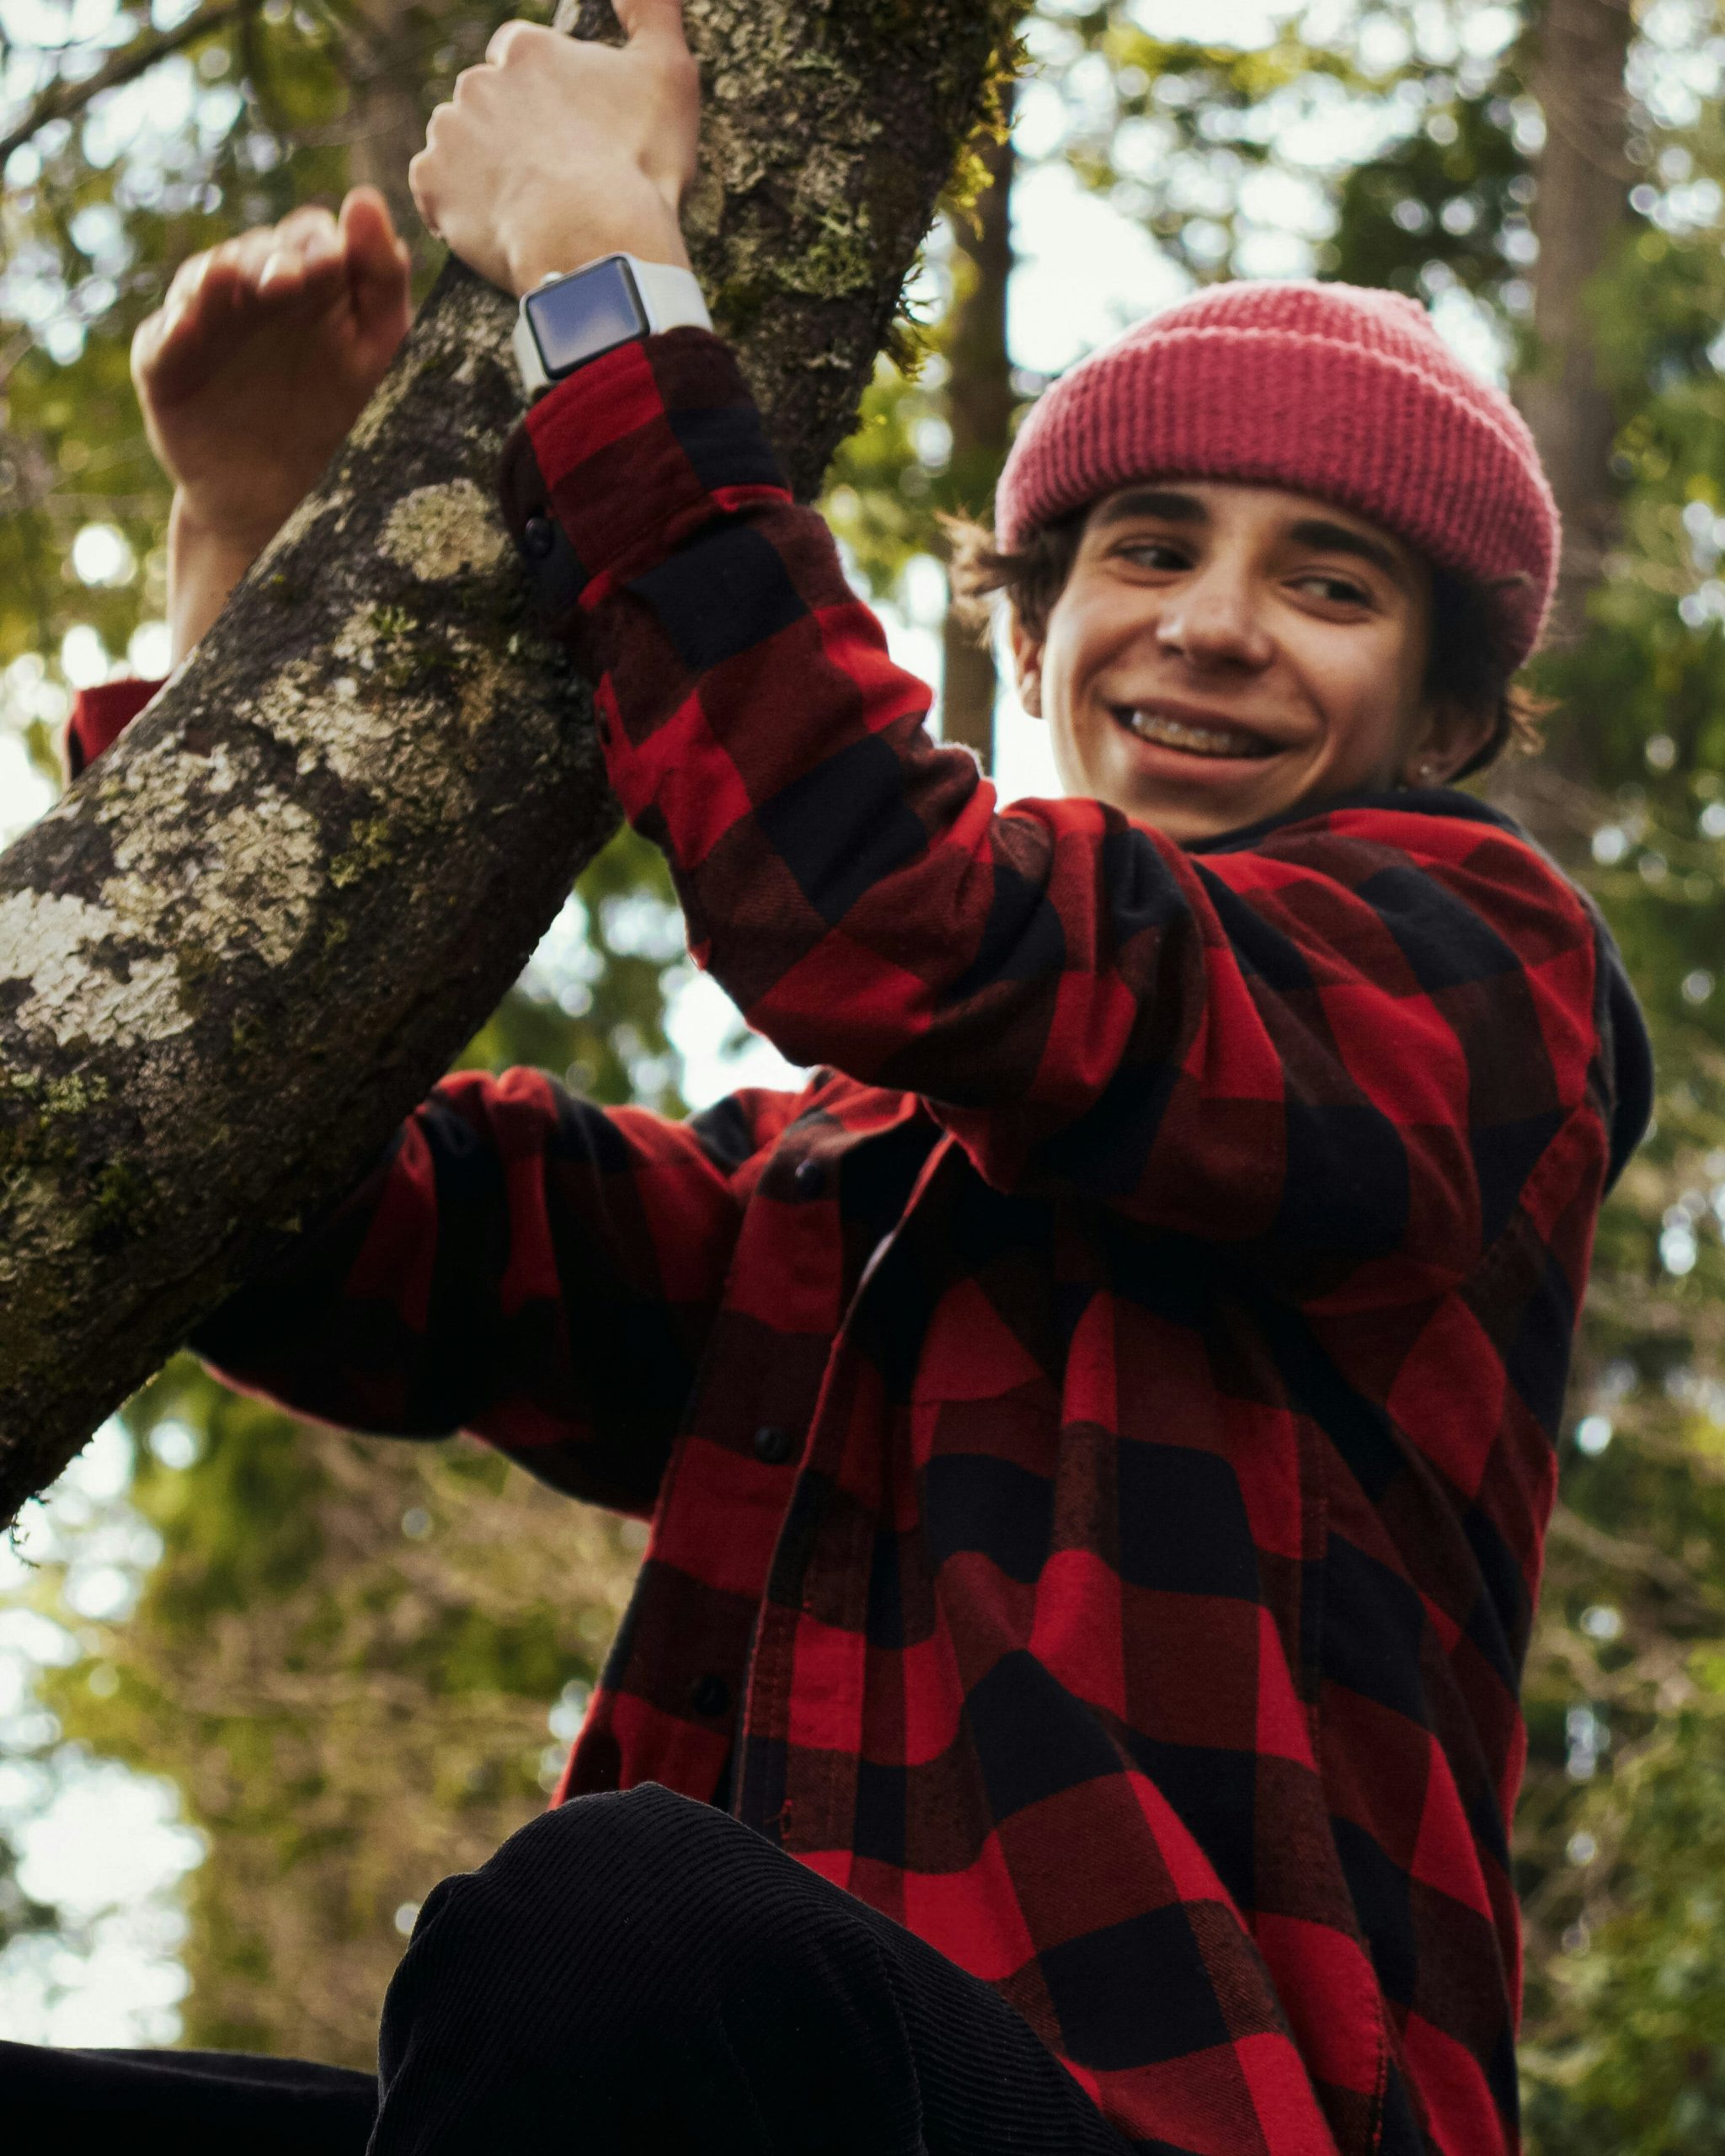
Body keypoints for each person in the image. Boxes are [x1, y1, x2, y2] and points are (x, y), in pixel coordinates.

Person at [5, 3, 1651, 2151]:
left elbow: (882, 901)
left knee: (615, 1913)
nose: (1216, 624)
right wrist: (249, 565)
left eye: (1327, 586)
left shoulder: (1476, 977)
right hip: (752, 2082)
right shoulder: (855, 1182)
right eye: (1146, 552)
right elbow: (334, 1235)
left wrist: (606, 280)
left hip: (1169, 2113)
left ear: (1440, 725)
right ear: (1043, 635)